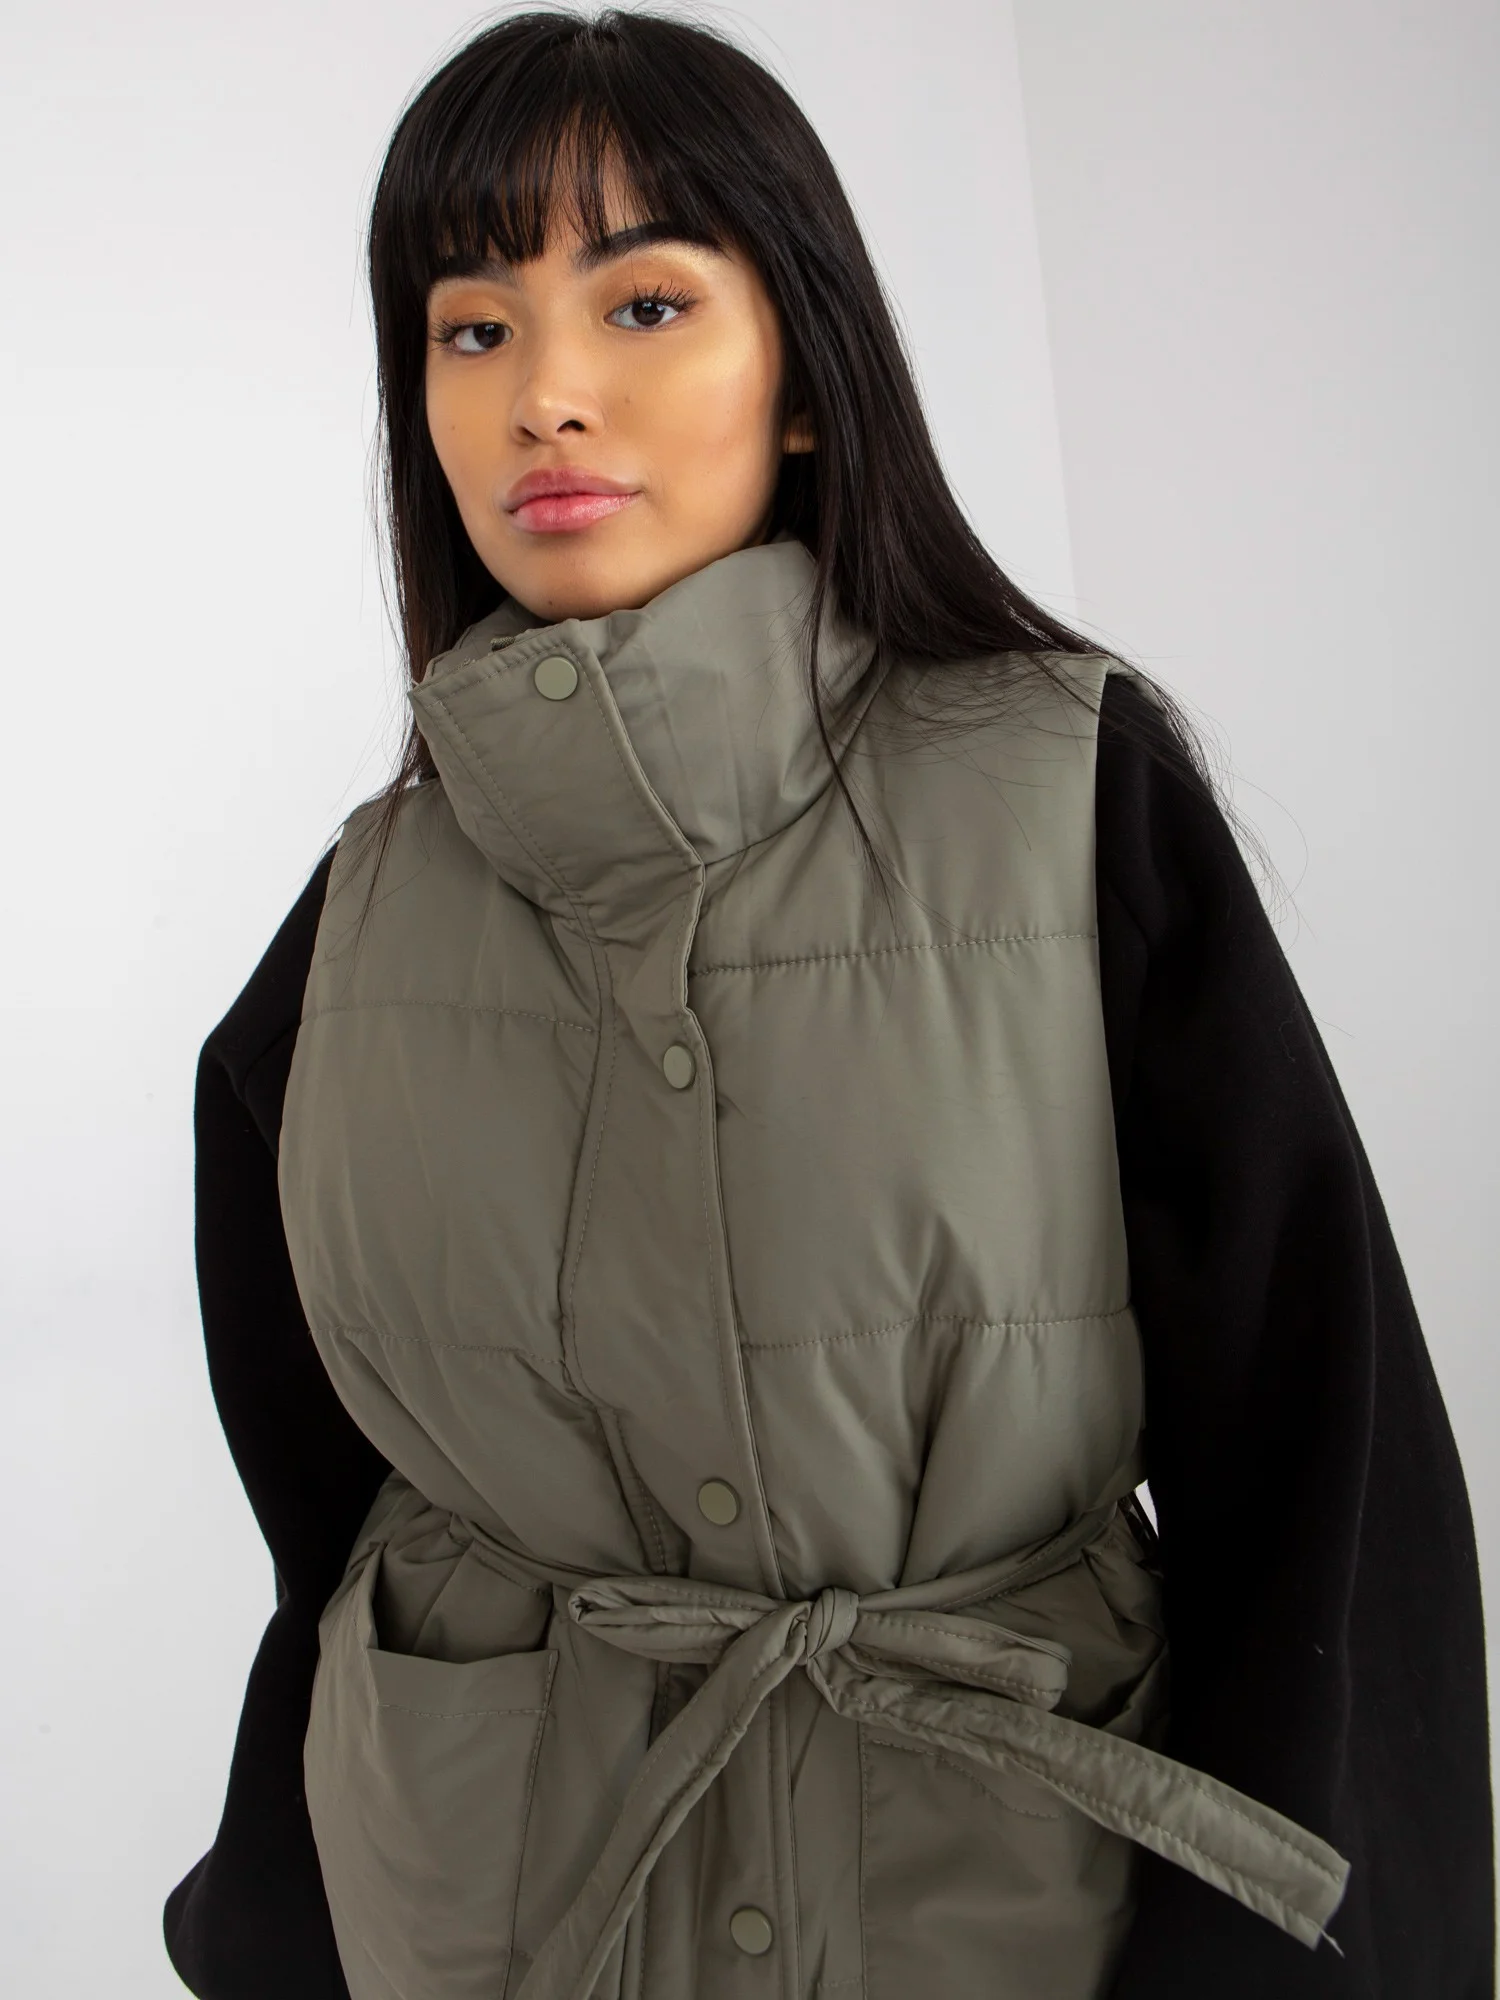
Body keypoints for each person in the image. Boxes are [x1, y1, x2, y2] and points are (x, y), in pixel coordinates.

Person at [161, 11, 1492, 1999]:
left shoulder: (1069, 795)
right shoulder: (360, 920)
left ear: (802, 371)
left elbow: (1321, 1453)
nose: (545, 395)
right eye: (472, 328)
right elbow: (329, 1516)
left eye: (645, 302)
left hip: (1010, 1895)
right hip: (491, 1903)